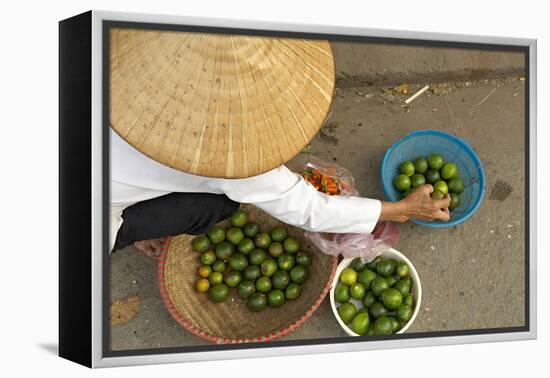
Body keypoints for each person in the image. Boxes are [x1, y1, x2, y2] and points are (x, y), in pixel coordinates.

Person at [109, 29, 450, 258]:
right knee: (219, 206)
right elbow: (308, 209)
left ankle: (135, 215)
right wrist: (403, 210)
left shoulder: (108, 47)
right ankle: (131, 229)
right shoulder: (225, 156)